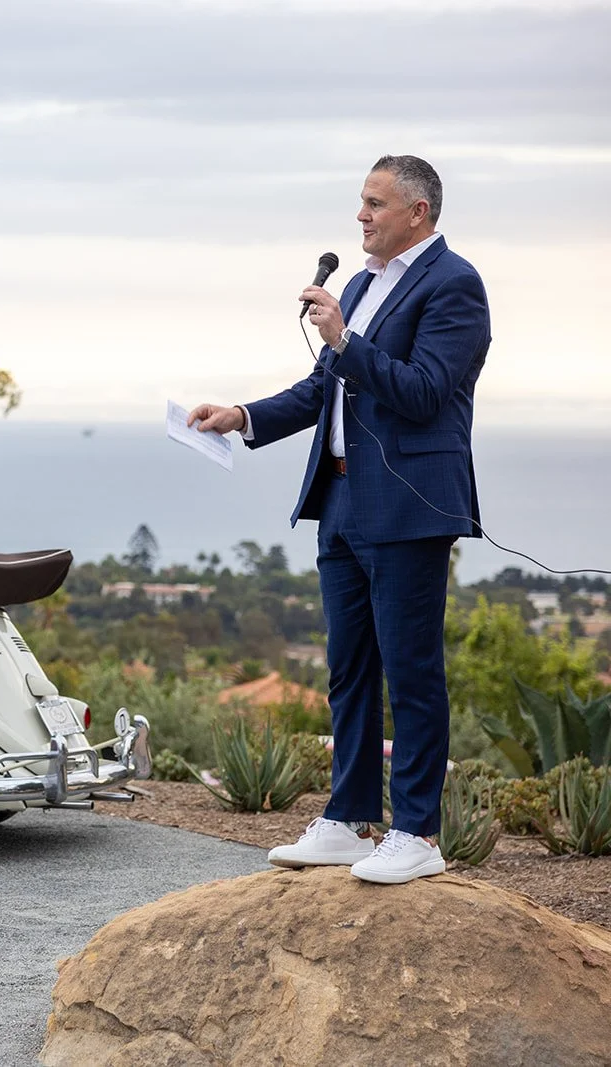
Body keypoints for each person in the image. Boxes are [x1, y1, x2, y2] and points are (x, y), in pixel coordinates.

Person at [188, 155, 489, 885]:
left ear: (417, 212)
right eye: (361, 202)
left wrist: (346, 342)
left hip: (410, 507)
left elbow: (423, 392)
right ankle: (350, 816)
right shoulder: (358, 284)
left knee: (412, 671)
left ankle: (416, 830)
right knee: (349, 668)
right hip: (345, 499)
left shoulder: (455, 285)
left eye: (375, 204)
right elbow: (324, 388)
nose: (361, 216)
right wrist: (243, 417)